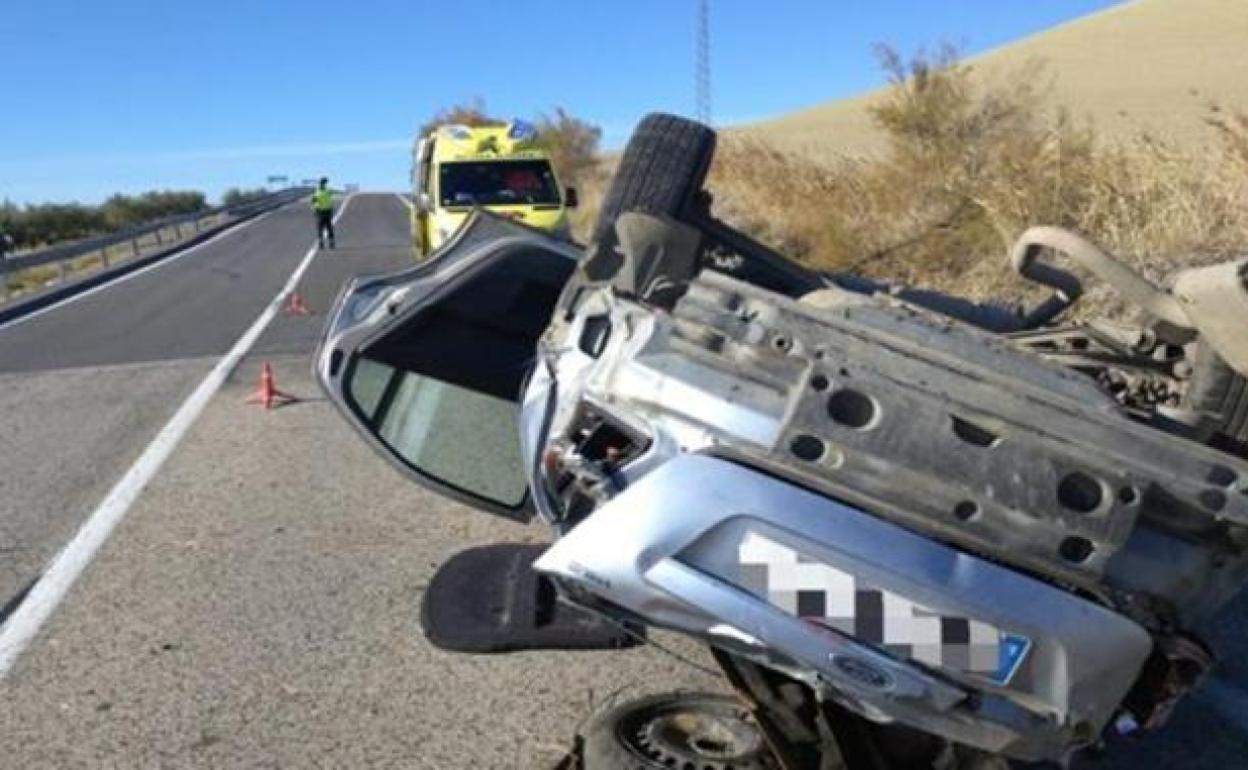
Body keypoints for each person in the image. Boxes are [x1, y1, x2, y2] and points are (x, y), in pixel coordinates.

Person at [311, 177, 335, 249]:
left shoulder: (317, 192)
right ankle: (331, 242)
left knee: (320, 228)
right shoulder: (327, 191)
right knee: (329, 227)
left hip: (320, 211)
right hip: (327, 211)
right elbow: (330, 199)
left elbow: (313, 201)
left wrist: (314, 209)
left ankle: (321, 242)